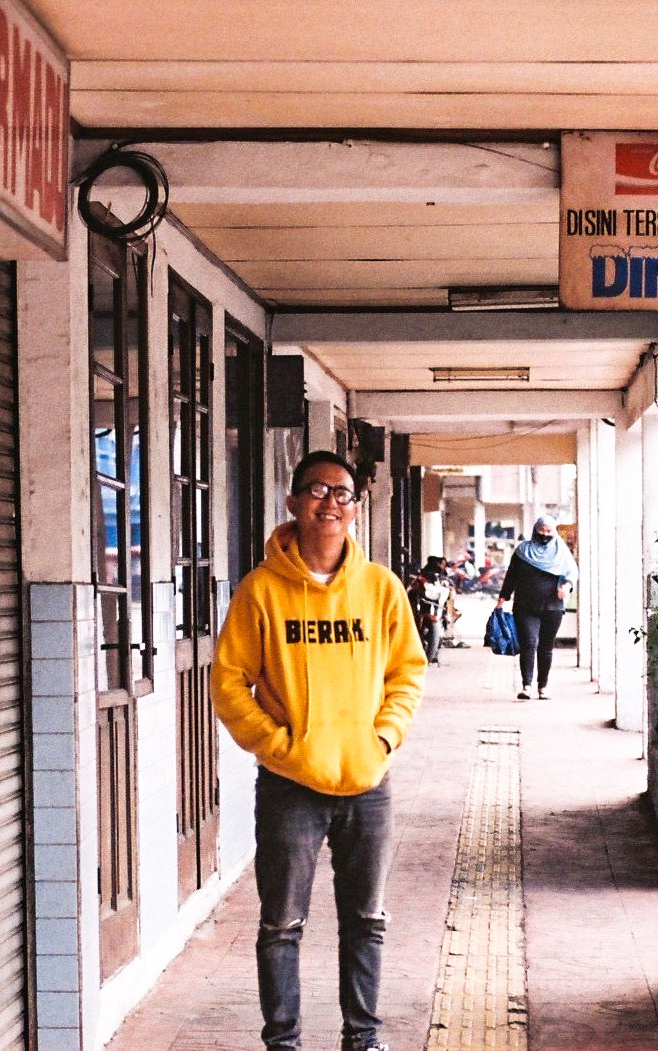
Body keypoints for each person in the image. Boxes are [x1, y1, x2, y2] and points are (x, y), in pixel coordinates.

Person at [211, 450, 427, 1051]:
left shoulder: (381, 589)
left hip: (367, 780)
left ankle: (363, 1038)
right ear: (292, 502)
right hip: (289, 784)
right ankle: (283, 1042)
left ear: (356, 508)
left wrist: (382, 738)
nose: (330, 502)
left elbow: (407, 673)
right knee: (281, 925)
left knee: (367, 921)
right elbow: (229, 681)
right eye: (316, 491)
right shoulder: (261, 592)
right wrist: (277, 746)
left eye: (342, 493)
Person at [496, 514, 578, 700]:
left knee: (545, 647)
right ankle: (526, 686)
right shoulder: (522, 551)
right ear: (535, 531)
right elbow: (511, 577)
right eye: (541, 530)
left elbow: (571, 573)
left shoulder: (561, 551)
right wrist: (502, 599)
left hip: (553, 607)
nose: (545, 534)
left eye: (549, 531)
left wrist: (566, 586)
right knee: (529, 643)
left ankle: (543, 687)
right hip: (525, 607)